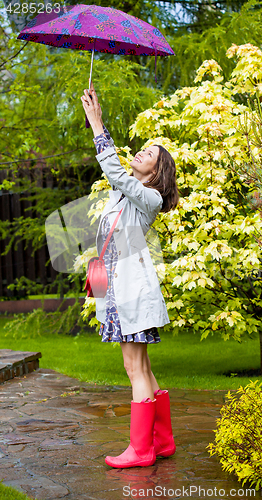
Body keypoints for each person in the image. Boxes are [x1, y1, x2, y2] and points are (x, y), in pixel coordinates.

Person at [81, 83, 179, 469]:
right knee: (142, 367)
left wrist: (97, 123)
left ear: (155, 172)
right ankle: (162, 440)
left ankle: (140, 450)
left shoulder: (148, 197)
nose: (139, 153)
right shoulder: (125, 196)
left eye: (148, 154)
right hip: (119, 290)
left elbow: (115, 172)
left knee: (134, 368)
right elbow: (108, 244)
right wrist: (97, 286)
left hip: (133, 293)